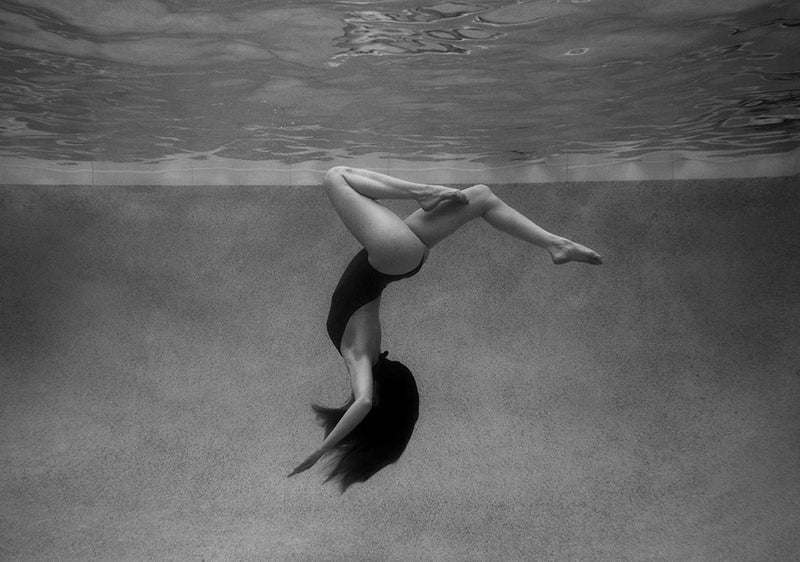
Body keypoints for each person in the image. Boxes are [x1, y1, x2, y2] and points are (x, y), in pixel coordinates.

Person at [288, 166, 601, 491]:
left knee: (481, 198)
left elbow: (367, 402)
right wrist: (321, 451)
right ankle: (420, 193)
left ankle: (555, 245)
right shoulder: (358, 356)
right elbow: (364, 402)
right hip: (389, 256)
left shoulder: (364, 354)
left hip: (397, 260)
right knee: (335, 177)